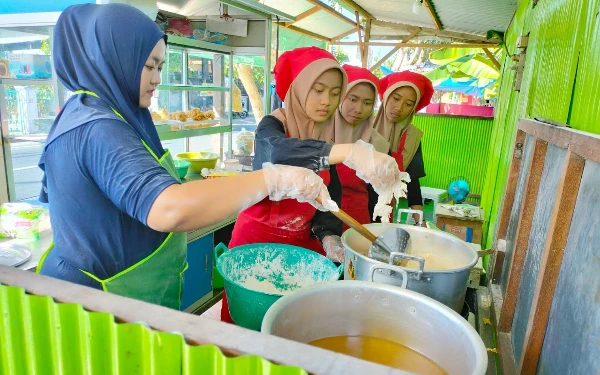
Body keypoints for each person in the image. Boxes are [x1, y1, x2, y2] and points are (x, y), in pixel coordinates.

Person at [36, 3, 335, 311]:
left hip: (121, 294)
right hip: (96, 305)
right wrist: (274, 178)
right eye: (149, 66)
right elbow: (167, 208)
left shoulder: (100, 112)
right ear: (114, 57)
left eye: (160, 67)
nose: (157, 79)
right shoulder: (97, 127)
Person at [221, 47, 402, 323]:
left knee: (292, 329)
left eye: (333, 93)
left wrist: (329, 236)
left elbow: (331, 196)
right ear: (299, 88)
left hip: (301, 253)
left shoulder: (324, 133)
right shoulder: (272, 126)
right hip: (254, 250)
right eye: (317, 90)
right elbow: (279, 154)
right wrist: (349, 152)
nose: (326, 101)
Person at [372, 71, 434, 224]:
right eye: (396, 98)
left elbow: (412, 182)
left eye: (408, 104)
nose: (399, 108)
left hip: (383, 212)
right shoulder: (363, 128)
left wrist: (422, 223)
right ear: (386, 96)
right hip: (350, 209)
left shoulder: (412, 138)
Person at [333, 64, 390, 229]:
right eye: (353, 99)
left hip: (358, 225)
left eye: (367, 103)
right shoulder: (318, 135)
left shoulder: (379, 144)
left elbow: (378, 199)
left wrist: (379, 232)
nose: (358, 109)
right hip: (318, 225)